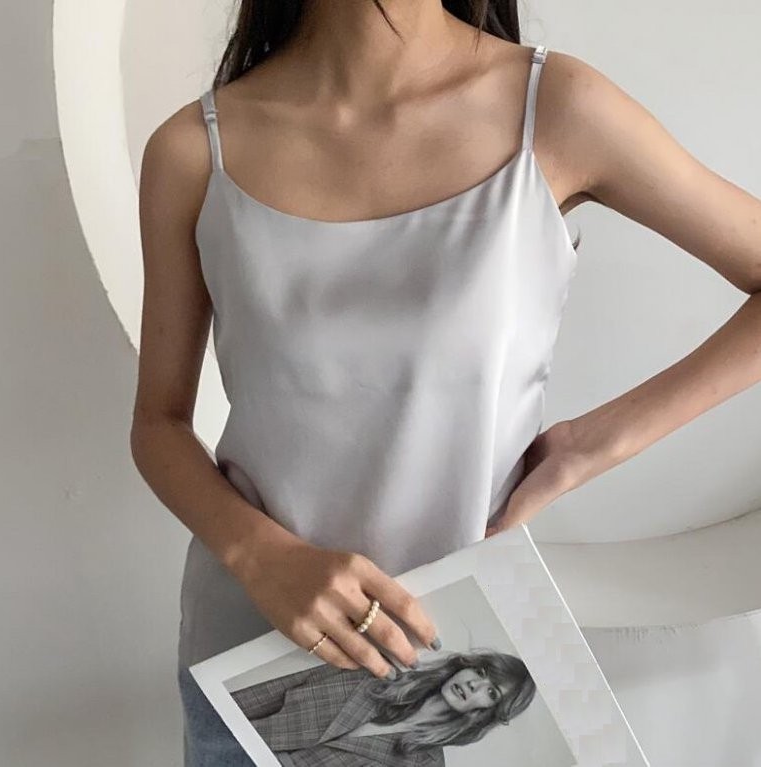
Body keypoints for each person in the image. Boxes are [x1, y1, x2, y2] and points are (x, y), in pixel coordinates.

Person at [131, 1, 761, 766]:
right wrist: (264, 559)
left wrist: (596, 442)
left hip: (467, 670)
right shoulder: (193, 150)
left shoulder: (556, 109)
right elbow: (159, 424)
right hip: (249, 674)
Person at [229, 649, 535, 766]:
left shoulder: (424, 765)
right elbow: (256, 698)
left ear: (489, 711)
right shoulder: (371, 674)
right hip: (220, 744)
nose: (474, 685)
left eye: (491, 692)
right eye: (480, 672)